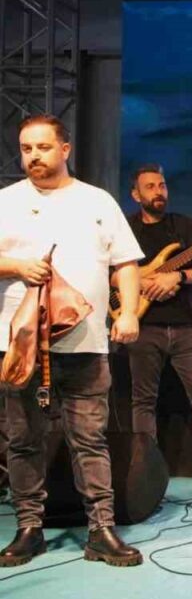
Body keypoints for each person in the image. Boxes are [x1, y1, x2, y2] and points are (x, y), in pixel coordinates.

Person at [0, 114, 145, 567]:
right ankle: (29, 528)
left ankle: (101, 530)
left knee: (90, 439)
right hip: (21, 345)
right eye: (26, 148)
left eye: (43, 147)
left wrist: (127, 312)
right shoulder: (6, 201)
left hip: (86, 342)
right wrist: (17, 266)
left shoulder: (96, 201)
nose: (33, 156)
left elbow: (126, 264)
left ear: (65, 149)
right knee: (23, 440)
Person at [123, 164, 192, 493]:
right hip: (143, 326)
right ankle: (145, 470)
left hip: (187, 328)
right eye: (150, 187)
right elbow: (112, 272)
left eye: (162, 185)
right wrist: (143, 281)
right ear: (135, 194)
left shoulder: (185, 226)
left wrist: (178, 277)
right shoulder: (126, 229)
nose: (158, 192)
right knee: (143, 400)